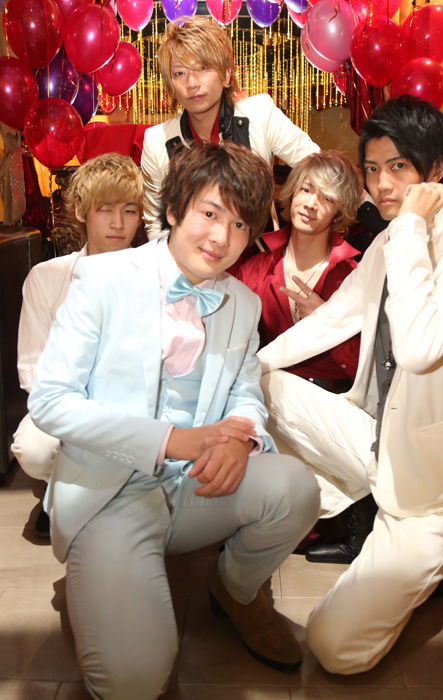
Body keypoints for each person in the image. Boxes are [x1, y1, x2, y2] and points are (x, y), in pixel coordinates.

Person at [28, 141, 320, 700]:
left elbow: (244, 391)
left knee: (295, 488)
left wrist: (240, 441)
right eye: (209, 213)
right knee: (134, 680)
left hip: (194, 488)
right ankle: (105, 575)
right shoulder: (104, 278)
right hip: (111, 492)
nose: (222, 237)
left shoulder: (242, 302)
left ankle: (234, 589)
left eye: (240, 224)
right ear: (173, 209)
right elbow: (51, 401)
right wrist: (171, 440)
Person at [258, 95, 443, 674]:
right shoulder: (391, 244)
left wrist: (411, 227)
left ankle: (435, 557)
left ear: (434, 169)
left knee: (334, 648)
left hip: (438, 490)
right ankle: (342, 523)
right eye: (372, 168)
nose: (381, 184)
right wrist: (242, 375)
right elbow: (331, 321)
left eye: (398, 166)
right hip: (379, 445)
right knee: (263, 387)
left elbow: (419, 348)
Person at [230, 150, 364, 556]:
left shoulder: (353, 275)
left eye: (327, 197)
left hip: (334, 404)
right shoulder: (254, 268)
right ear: (290, 195)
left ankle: (355, 514)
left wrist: (327, 320)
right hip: (268, 409)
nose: (311, 203)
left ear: (339, 211)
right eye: (306, 189)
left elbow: (365, 365)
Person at [12, 153, 144, 536]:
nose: (118, 223)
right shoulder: (47, 277)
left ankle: (100, 494)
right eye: (105, 210)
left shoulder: (156, 277)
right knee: (34, 448)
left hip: (135, 407)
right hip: (66, 404)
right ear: (80, 211)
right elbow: (32, 368)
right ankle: (63, 488)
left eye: (129, 210)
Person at [141, 15, 319, 240]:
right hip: (191, 259)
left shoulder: (260, 113)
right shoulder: (156, 140)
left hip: (258, 255)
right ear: (170, 84)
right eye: (179, 73)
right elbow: (157, 228)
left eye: (202, 68)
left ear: (226, 74)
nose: (191, 83)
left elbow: (318, 167)